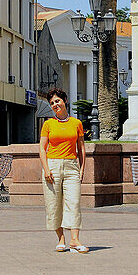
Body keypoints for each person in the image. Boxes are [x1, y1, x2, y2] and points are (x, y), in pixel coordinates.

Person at [40, 88, 88, 253]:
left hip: (71, 166)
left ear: (65, 100)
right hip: (52, 166)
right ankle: (61, 238)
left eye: (57, 101)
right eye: (52, 103)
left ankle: (74, 240)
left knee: (73, 203)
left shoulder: (76, 123)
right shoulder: (48, 124)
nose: (55, 104)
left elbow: (81, 148)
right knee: (53, 205)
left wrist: (82, 169)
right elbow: (42, 148)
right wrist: (46, 169)